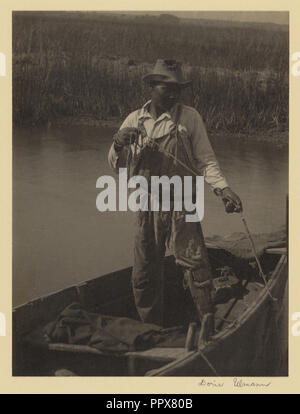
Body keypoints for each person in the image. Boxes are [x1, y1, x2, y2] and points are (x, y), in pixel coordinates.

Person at [108, 59, 242, 326]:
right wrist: (117, 143)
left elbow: (206, 160)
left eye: (177, 88)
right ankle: (151, 327)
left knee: (195, 266)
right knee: (145, 269)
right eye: (166, 88)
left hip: (183, 204)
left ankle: (206, 324)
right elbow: (117, 166)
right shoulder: (134, 120)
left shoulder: (189, 118)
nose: (173, 94)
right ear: (151, 87)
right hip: (147, 205)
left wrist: (223, 189)